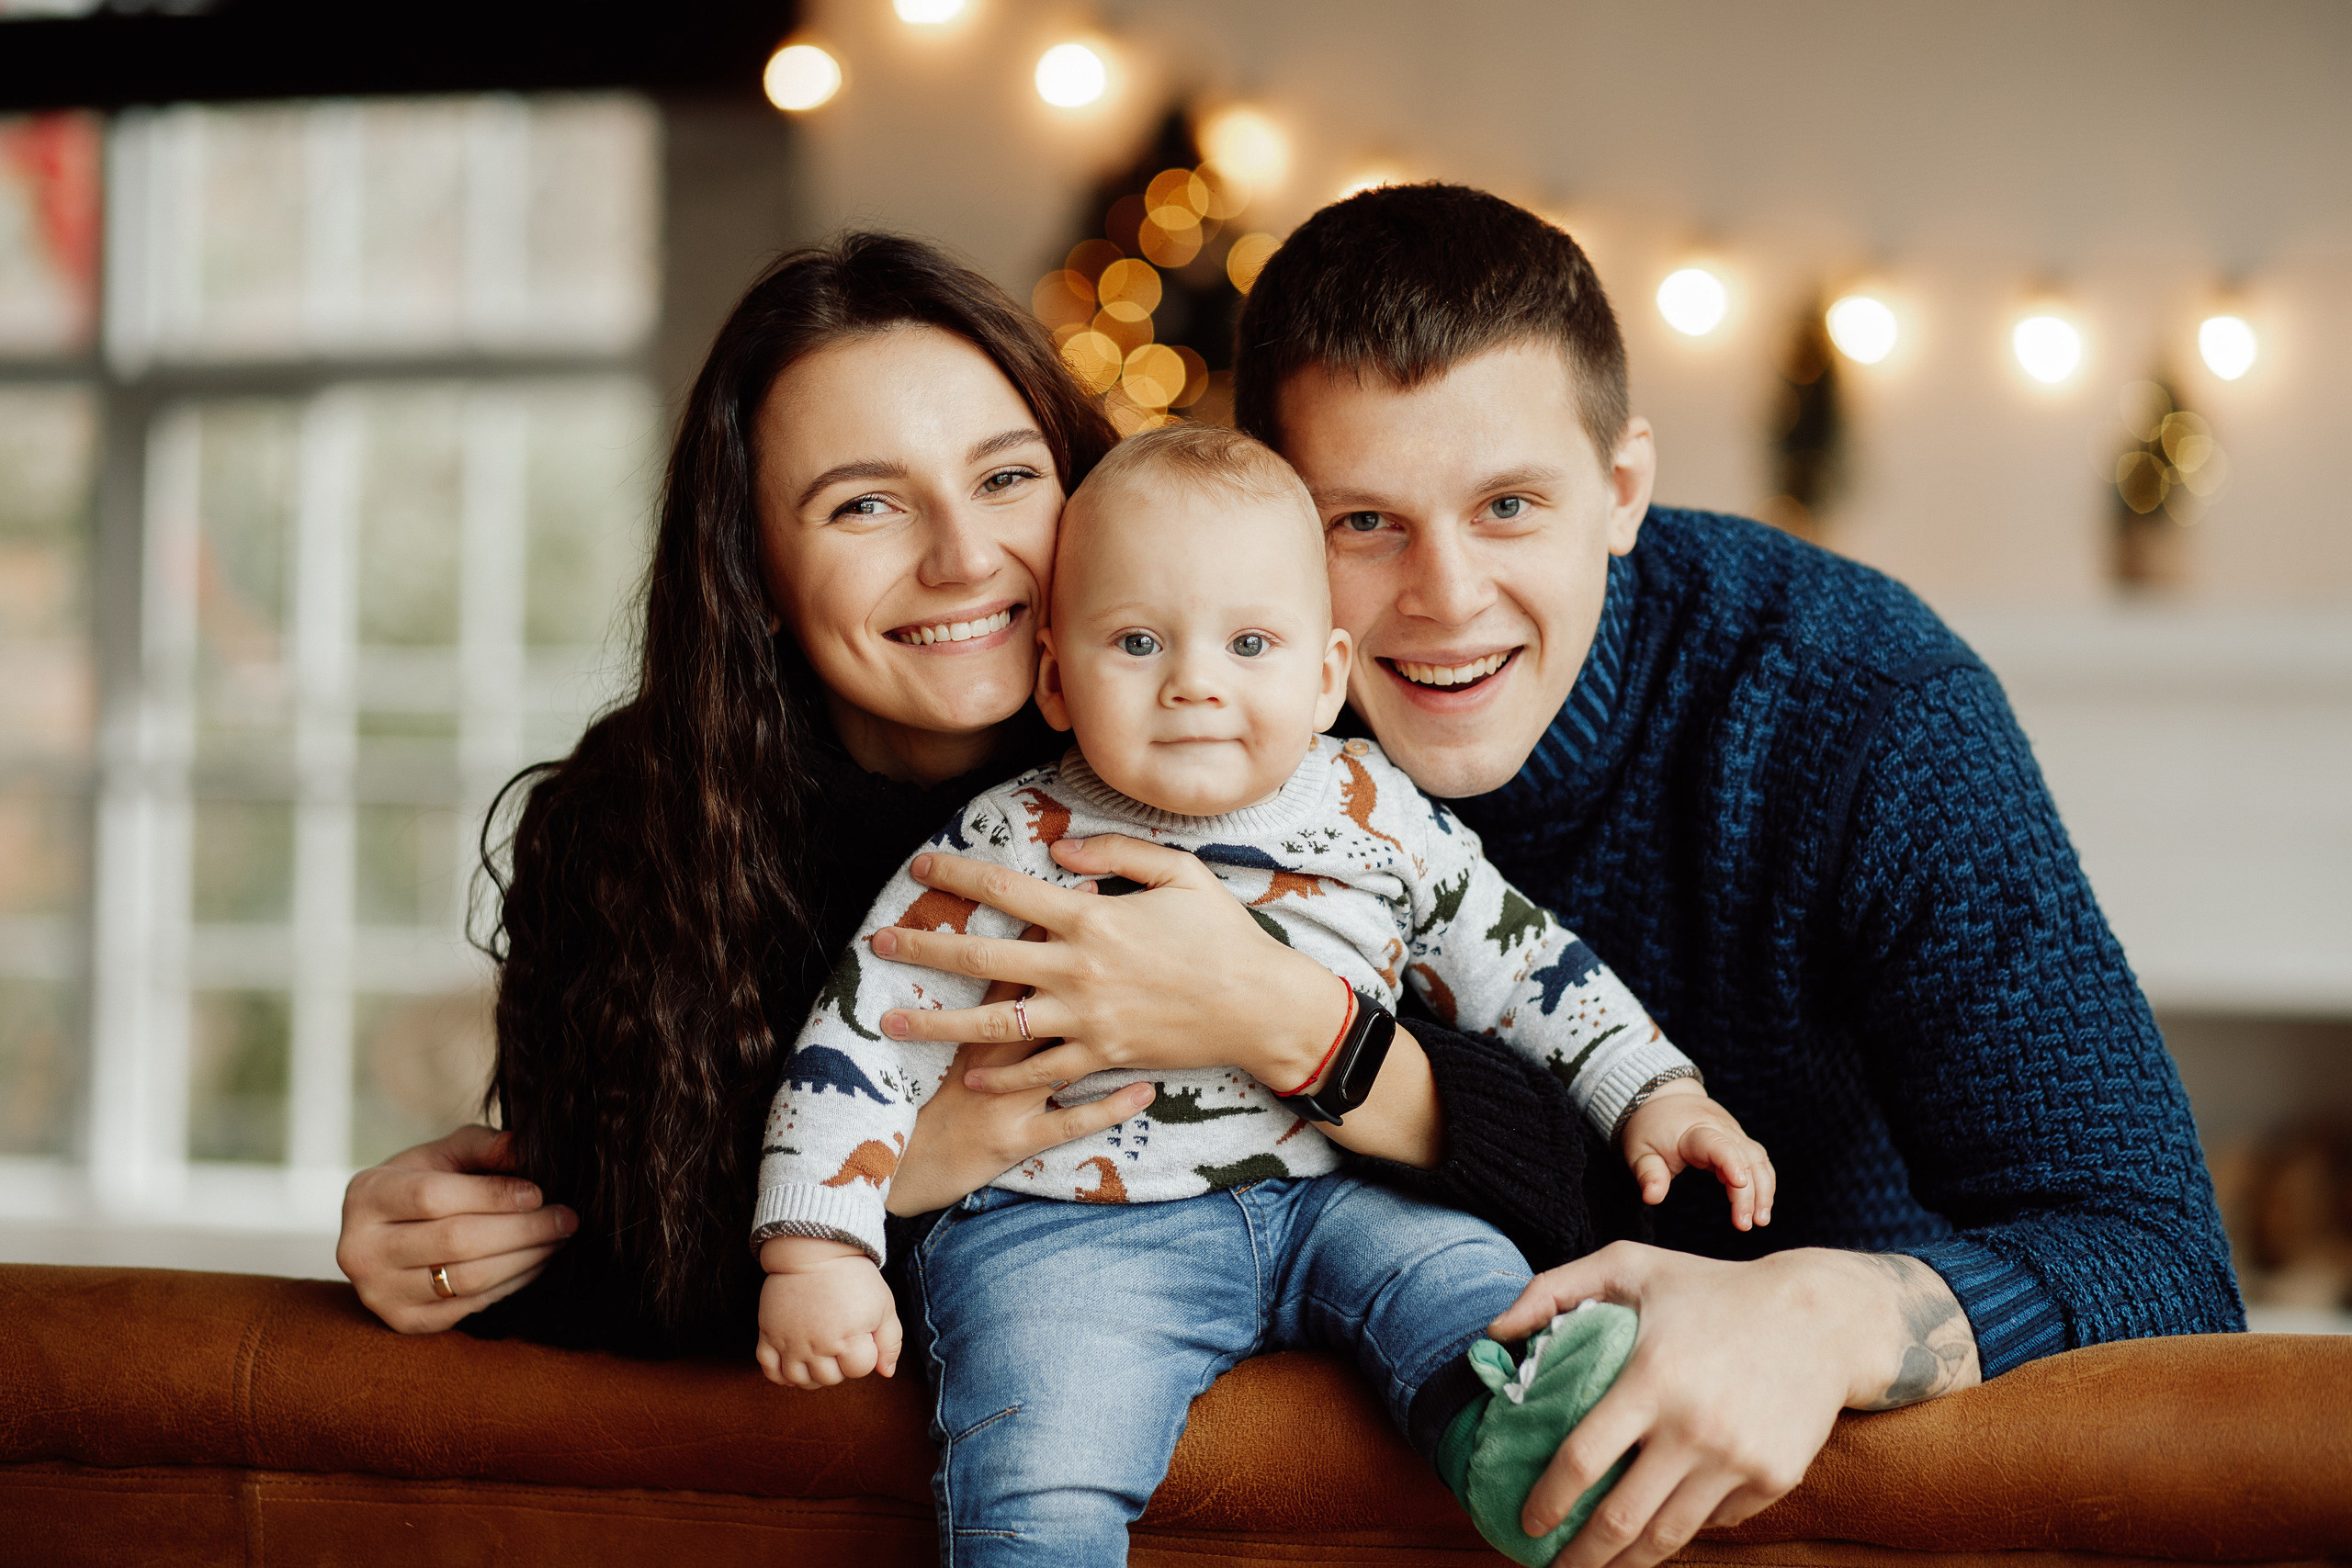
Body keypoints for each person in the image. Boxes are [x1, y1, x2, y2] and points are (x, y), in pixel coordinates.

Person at [869, 185, 2241, 1567]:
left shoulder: (1862, 704)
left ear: (1623, 489)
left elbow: (2164, 1260)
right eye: (1363, 523)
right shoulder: (1161, 718)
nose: (1449, 596)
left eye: (1511, 504)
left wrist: (1822, 1310)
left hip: (1806, 1504)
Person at [335, 232, 1598, 1369]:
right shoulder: (635, 827)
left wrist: (1289, 1020)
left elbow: (1576, 1177)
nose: (960, 556)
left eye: (1006, 479)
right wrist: (892, 1176)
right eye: (865, 504)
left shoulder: (1276, 715)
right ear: (754, 566)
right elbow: (615, 1259)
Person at [750, 422, 1772, 1562]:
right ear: (1053, 674)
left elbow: (1522, 960)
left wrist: (1653, 1093)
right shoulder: (1003, 838)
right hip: (1070, 1233)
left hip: (1343, 1194)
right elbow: (859, 1036)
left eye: (1249, 643)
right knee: (1041, 1448)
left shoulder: (1373, 809)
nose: (1194, 685)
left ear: (1326, 673)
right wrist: (817, 1248)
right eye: (1137, 641)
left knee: (1468, 1285)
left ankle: (1520, 1440)